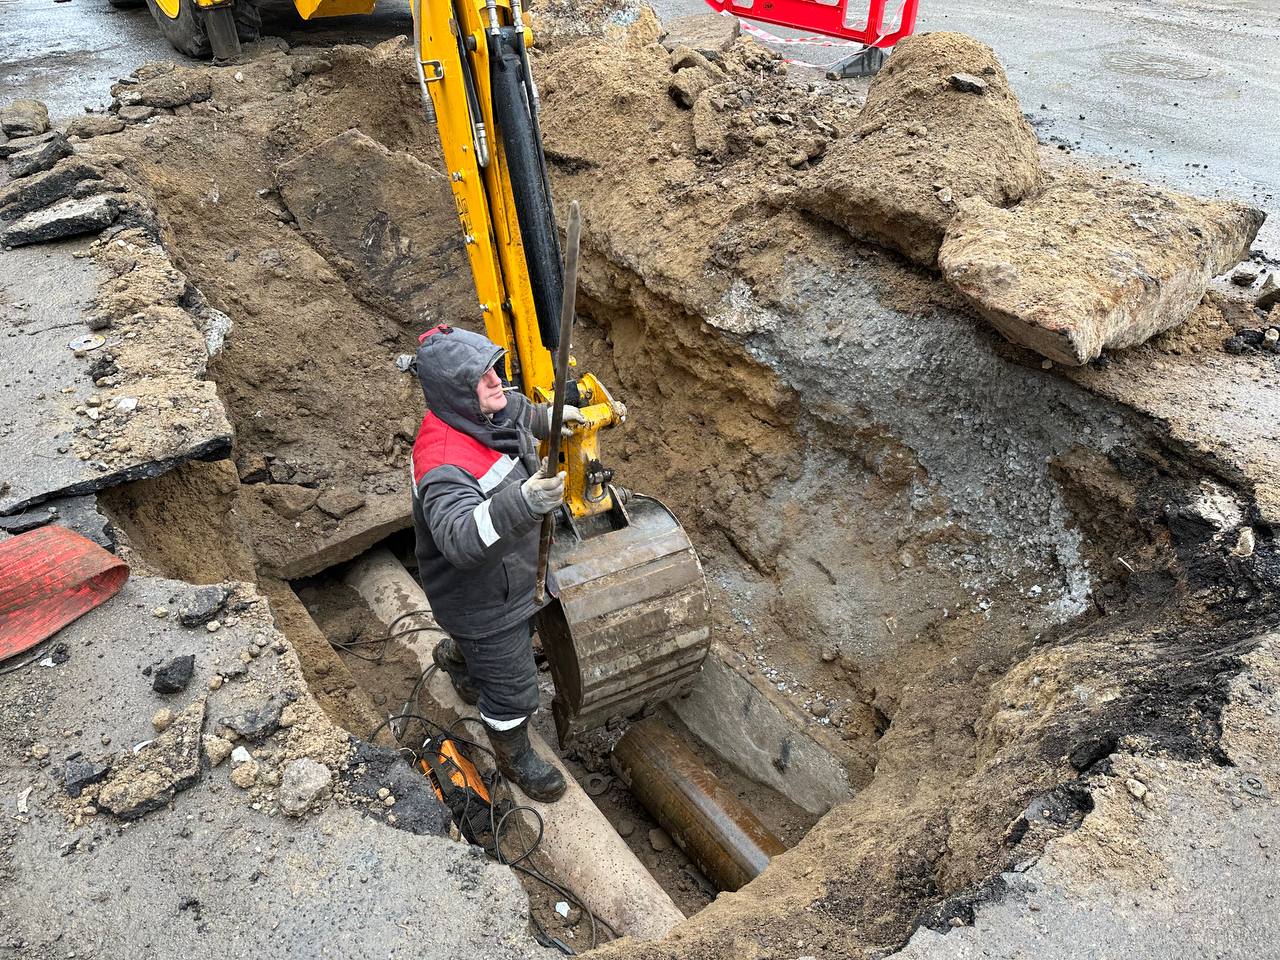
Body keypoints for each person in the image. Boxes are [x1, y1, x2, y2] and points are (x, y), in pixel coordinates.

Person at [409, 324, 583, 802]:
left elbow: (515, 411)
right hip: (481, 601)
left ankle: (459, 661)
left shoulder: (481, 410)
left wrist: (550, 418)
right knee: (513, 688)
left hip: (512, 578)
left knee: (486, 650)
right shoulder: (442, 462)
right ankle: (515, 758)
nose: (495, 382)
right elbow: (461, 539)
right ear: (454, 395)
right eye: (481, 377)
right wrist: (522, 503)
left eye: (492, 368)